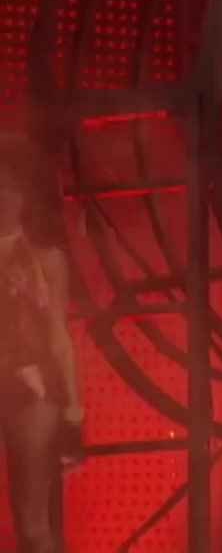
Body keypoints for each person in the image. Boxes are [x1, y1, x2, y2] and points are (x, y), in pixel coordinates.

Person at [0, 138, 83, 553]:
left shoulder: (46, 259)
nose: (3, 196)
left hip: (34, 391)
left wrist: (73, 411)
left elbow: (58, 336)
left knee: (32, 518)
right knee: (24, 517)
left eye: (9, 186)